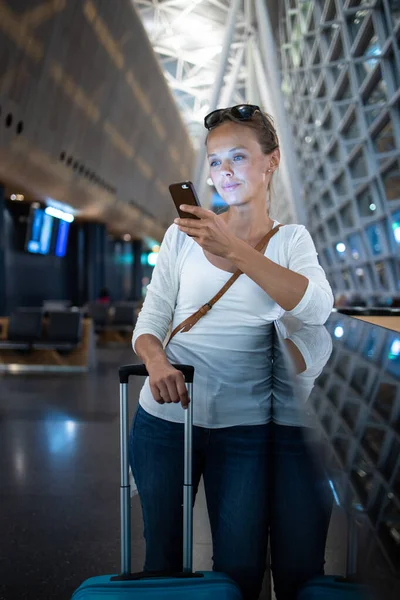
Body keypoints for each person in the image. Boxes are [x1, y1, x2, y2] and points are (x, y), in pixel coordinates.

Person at [129, 104, 334, 600]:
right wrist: (156, 362)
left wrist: (234, 247)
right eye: (215, 161)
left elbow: (316, 308)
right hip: (165, 420)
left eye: (238, 158)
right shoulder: (181, 236)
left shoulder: (290, 240)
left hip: (244, 424)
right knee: (163, 558)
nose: (224, 172)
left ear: (271, 162)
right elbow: (152, 317)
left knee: (239, 566)